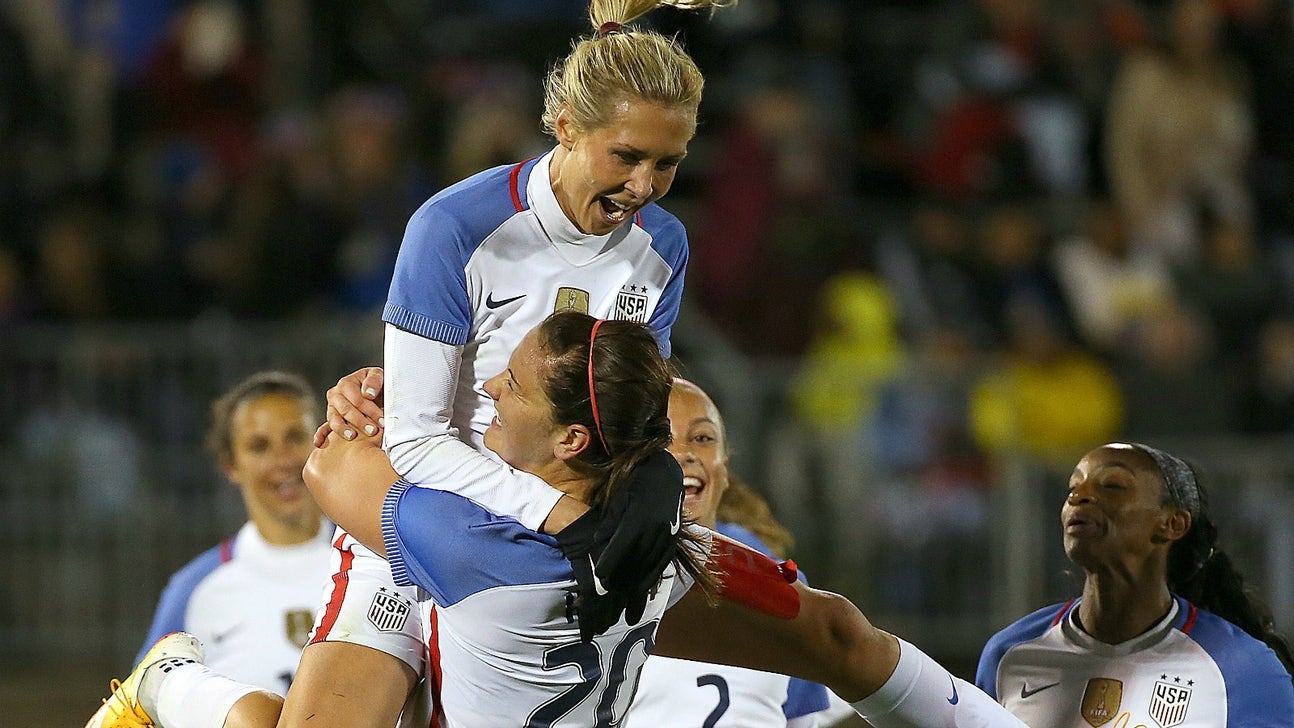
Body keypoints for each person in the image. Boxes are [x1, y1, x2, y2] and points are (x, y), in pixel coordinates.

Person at [89, 313, 1031, 728]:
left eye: (504, 382)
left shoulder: (511, 552)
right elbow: (835, 634)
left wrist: (366, 407)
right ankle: (179, 685)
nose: (487, 386)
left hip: (459, 571)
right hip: (415, 563)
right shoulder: (668, 546)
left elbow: (335, 466)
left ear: (578, 439)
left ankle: (179, 686)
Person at [976, 442, 1294, 727]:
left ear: (1172, 524)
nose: (1079, 495)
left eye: (1113, 485)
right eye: (1073, 486)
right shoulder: (1010, 653)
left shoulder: (1242, 668)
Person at [628, 377, 834, 727]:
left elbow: (801, 719)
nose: (686, 453)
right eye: (661, 438)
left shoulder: (779, 587)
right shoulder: (582, 577)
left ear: (724, 466)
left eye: (702, 438)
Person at [134, 371, 332, 696]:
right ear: (231, 466)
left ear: (322, 440)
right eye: (259, 446)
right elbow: (144, 704)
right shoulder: (195, 589)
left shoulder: (377, 560)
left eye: (295, 437)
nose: (282, 460)